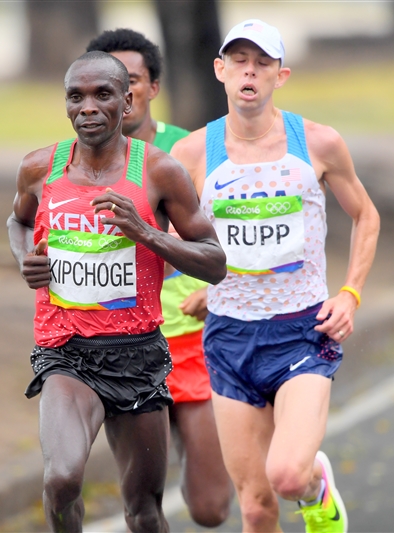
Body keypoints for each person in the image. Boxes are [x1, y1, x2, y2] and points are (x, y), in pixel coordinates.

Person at [171, 19, 380, 533]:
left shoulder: (318, 143)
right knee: (257, 505)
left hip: (301, 332)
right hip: (228, 335)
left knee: (286, 476)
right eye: (239, 61)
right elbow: (173, 238)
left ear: (280, 76)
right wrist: (206, 283)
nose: (250, 71)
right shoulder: (194, 154)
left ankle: (316, 489)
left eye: (262, 63)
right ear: (220, 70)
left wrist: (350, 294)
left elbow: (366, 217)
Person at [7, 50, 227, 533]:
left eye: (102, 95)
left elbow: (214, 262)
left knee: (143, 512)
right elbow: (18, 222)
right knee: (61, 479)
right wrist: (27, 257)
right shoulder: (39, 168)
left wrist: (147, 233)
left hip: (137, 356)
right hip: (65, 351)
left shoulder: (159, 171)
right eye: (76, 96)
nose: (88, 107)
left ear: (127, 102)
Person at [86, 28, 232, 527]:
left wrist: (221, 293)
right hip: (121, 346)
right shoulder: (71, 162)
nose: (121, 94)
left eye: (132, 81)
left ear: (152, 87)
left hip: (191, 340)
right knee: (142, 507)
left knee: (211, 508)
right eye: (107, 81)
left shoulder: (186, 153)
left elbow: (229, 237)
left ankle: (192, 442)